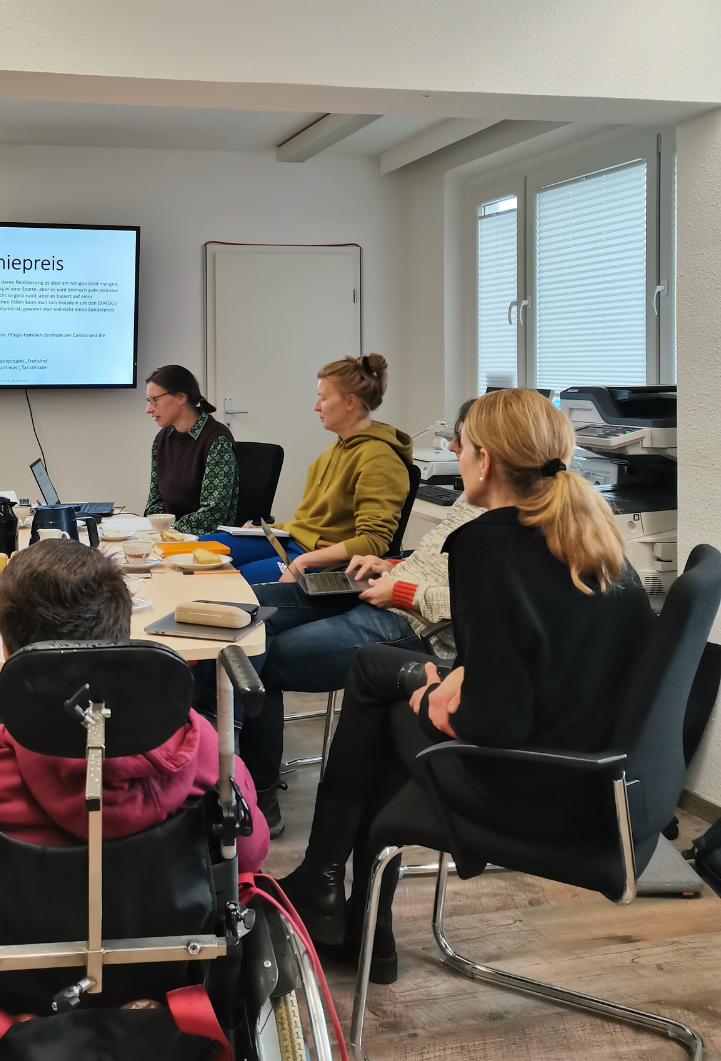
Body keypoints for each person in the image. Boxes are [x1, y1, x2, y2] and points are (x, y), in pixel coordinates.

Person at [278, 388, 655, 982]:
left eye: (464, 446)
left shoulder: (487, 546)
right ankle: (341, 906)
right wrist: (464, 676)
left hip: (535, 784)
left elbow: (491, 723)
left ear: (485, 461)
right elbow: (559, 658)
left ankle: (331, 894)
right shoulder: (594, 535)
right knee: (378, 673)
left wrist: (433, 693)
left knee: (382, 713)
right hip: (607, 779)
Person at [0, 539, 270, 884]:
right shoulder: (204, 750)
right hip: (174, 945)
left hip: (11, 943)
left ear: (9, 657)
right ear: (125, 638)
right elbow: (249, 855)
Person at [239, 401, 483, 825]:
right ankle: (222, 763)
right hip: (383, 590)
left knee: (261, 657)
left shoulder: (506, 520)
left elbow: (472, 602)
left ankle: (257, 793)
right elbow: (433, 562)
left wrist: (401, 588)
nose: (451, 446)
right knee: (244, 614)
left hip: (412, 624)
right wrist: (389, 566)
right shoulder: (473, 497)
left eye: (459, 440)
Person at [203, 353, 412, 584]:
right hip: (293, 541)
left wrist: (303, 561)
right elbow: (313, 523)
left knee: (225, 580)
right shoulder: (336, 449)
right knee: (199, 549)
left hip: (320, 559)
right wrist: (264, 529)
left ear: (350, 401)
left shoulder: (380, 458)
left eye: (322, 398)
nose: (315, 406)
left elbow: (374, 541)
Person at [144, 364, 238, 535]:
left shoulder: (216, 440)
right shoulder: (162, 439)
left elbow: (213, 515)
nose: (148, 409)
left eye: (154, 400)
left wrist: (171, 530)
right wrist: (160, 529)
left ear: (181, 397)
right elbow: (154, 501)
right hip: (170, 535)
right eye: (148, 401)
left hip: (205, 539)